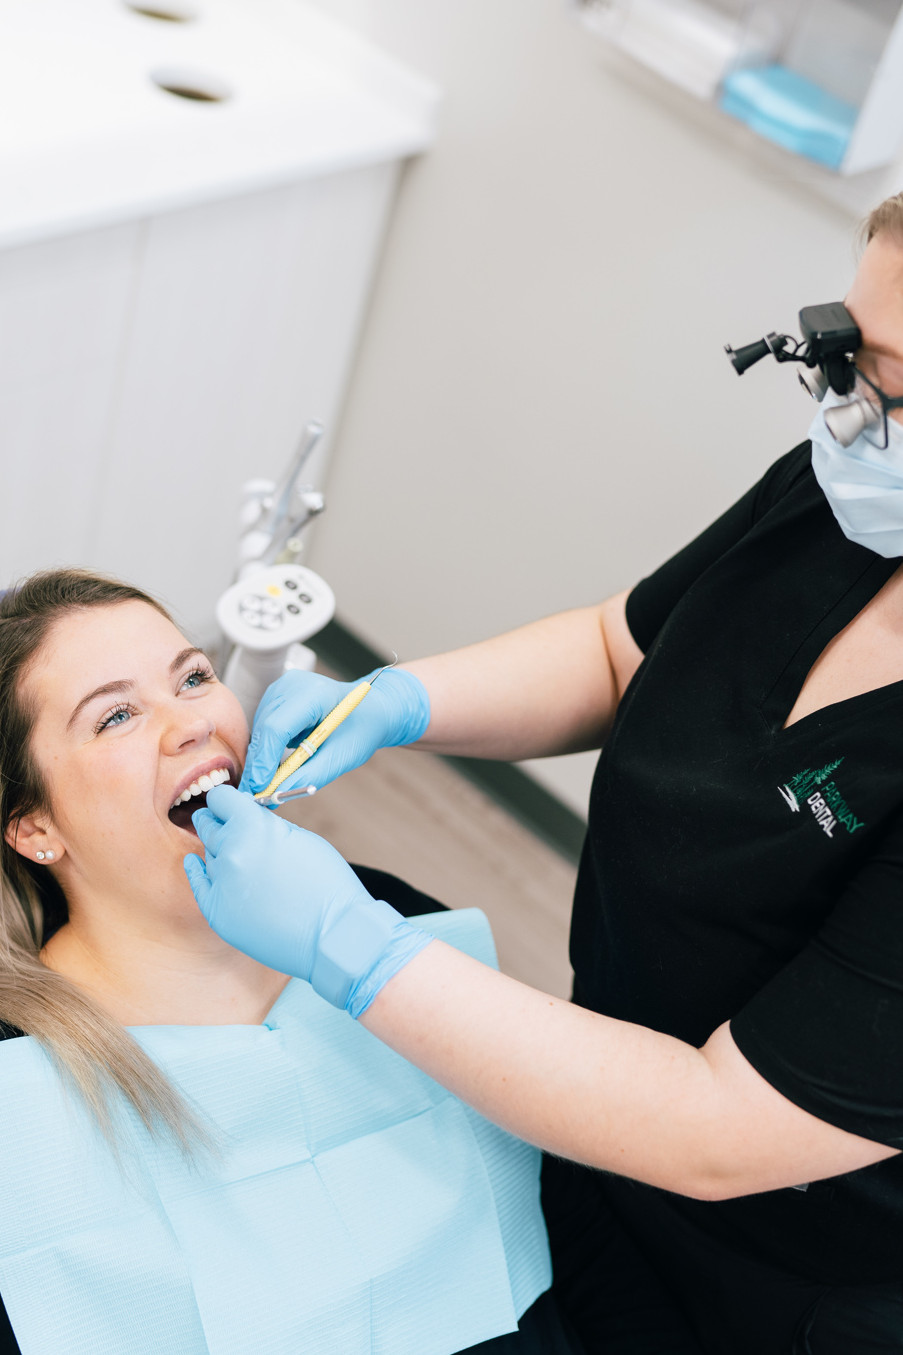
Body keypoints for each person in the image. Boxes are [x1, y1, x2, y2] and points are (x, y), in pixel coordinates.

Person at [188, 190, 903, 1355]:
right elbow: (618, 650)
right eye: (843, 356)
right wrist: (397, 700)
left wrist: (356, 950)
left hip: (784, 1280)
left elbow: (724, 1130)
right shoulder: (848, 498)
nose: (853, 413)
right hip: (585, 1113)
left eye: (892, 380)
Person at [0, 569, 577, 1355]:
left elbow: (575, 1208)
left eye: (194, 677)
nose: (190, 724)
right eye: (118, 715)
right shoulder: (20, 1091)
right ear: (34, 828)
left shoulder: (376, 914)